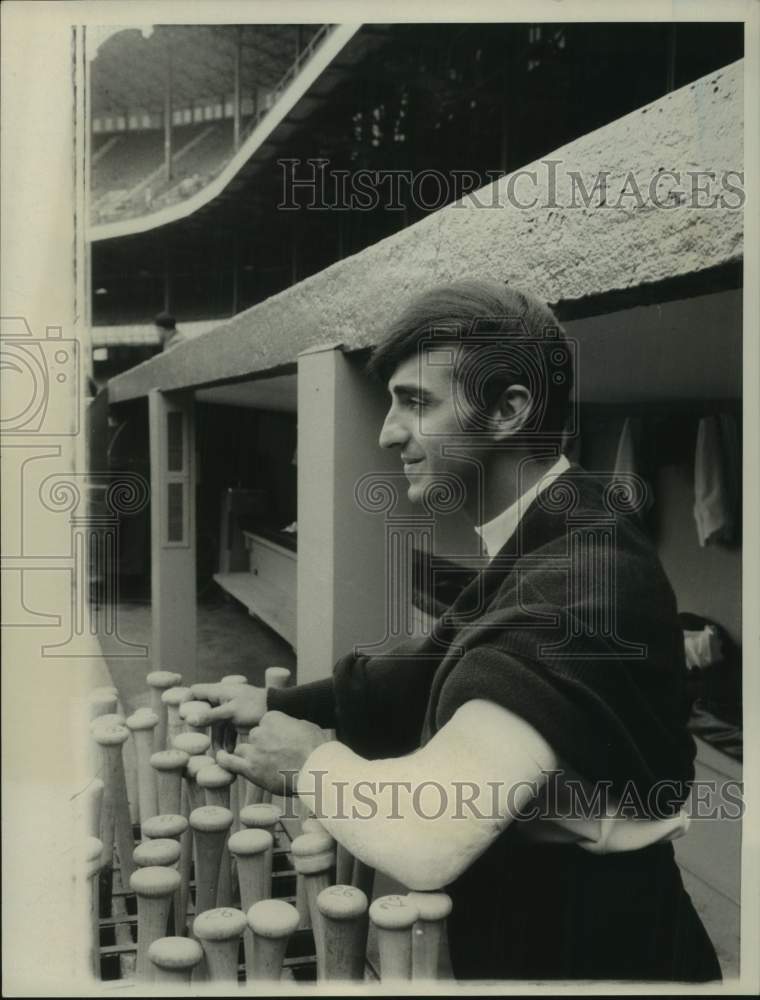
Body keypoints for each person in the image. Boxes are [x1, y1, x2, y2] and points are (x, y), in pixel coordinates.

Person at [192, 279, 721, 982]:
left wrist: (307, 763)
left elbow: (427, 833)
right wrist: (284, 706)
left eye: (416, 402)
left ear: (507, 410)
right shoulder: (562, 519)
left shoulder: (584, 580)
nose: (387, 432)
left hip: (595, 950)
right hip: (551, 924)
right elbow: (437, 653)